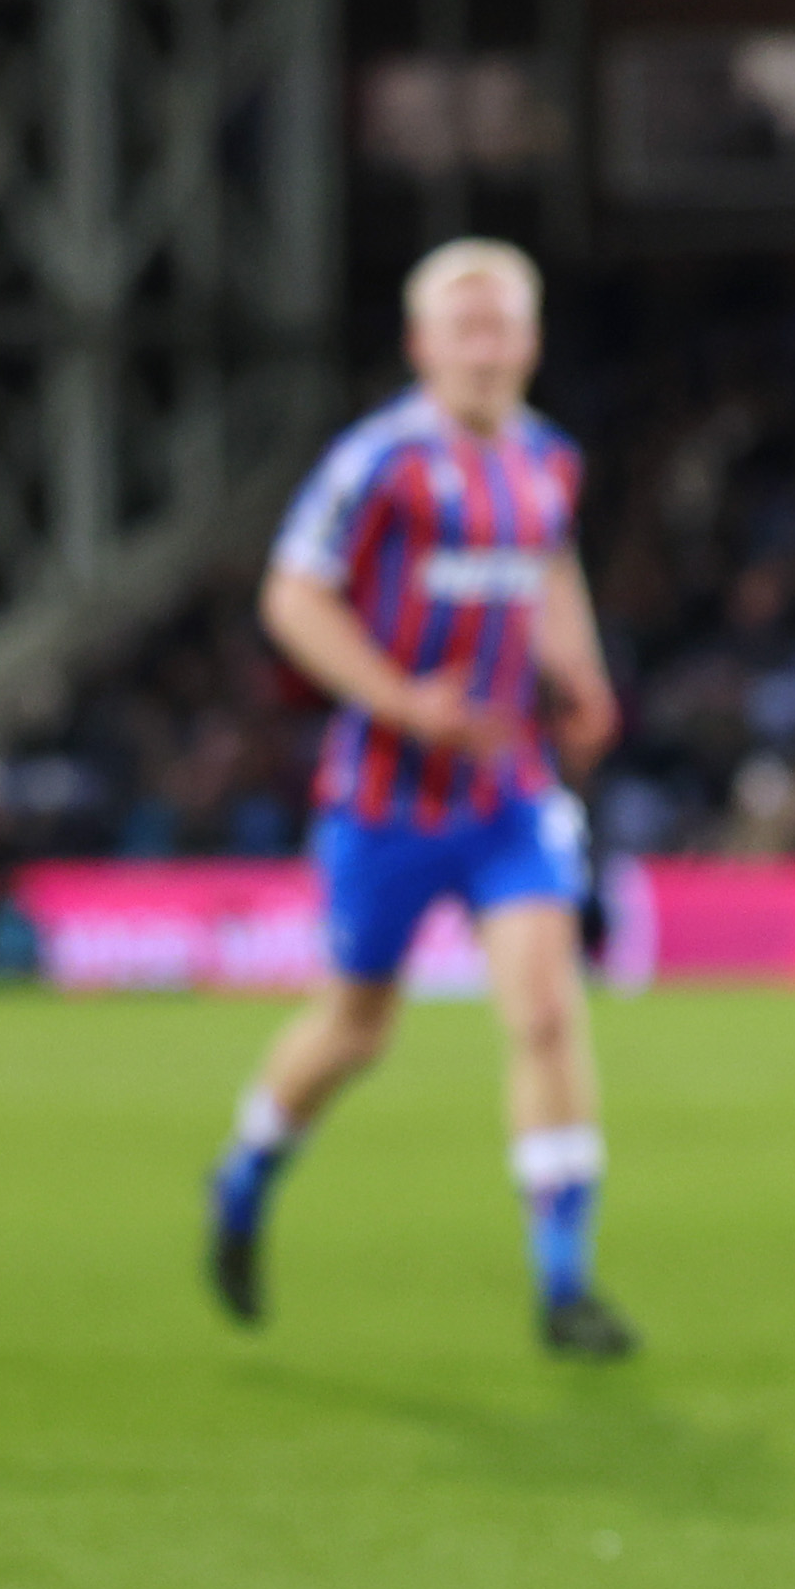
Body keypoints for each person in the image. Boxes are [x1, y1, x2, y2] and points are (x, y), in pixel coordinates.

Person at [203, 238, 637, 1353]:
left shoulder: (547, 460)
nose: (485, 349)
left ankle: (564, 1284)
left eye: (503, 327)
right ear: (421, 345)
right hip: (385, 800)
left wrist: (580, 672)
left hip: (506, 791)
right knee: (356, 1029)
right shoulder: (379, 463)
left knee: (546, 1011)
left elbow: (549, 569)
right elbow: (293, 596)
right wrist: (402, 700)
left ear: (531, 342)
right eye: (464, 328)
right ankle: (247, 1171)